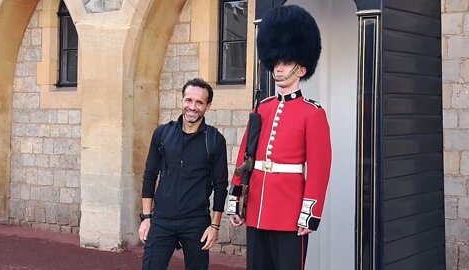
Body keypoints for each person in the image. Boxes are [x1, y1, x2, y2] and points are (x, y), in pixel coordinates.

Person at [227, 5, 332, 270]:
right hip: (257, 209)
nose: (278, 69)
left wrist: (309, 213)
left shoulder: (313, 113)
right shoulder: (262, 108)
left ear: (301, 68)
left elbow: (319, 170)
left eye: (285, 63)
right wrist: (235, 199)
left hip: (289, 210)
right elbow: (244, 157)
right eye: (275, 63)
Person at [139, 78, 228, 270]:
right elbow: (150, 174)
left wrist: (215, 226)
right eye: (188, 100)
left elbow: (221, 186)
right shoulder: (162, 133)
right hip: (161, 220)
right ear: (182, 101)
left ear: (208, 106)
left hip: (196, 222)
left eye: (199, 102)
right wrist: (146, 217)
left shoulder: (214, 140)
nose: (192, 107)